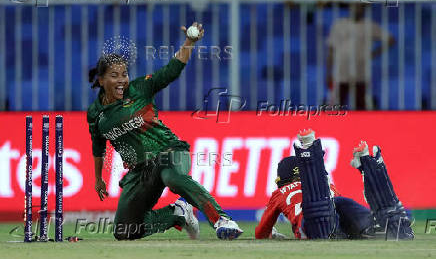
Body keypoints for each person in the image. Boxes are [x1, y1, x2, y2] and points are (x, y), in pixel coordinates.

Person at [87, 22, 243, 240]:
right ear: (102, 80)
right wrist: (98, 179)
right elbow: (98, 145)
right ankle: (177, 213)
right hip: (140, 170)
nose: (122, 80)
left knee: (173, 178)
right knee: (124, 231)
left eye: (124, 74)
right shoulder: (95, 113)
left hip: (169, 151)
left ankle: (222, 220)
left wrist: (189, 42)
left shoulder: (140, 88)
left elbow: (171, 70)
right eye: (114, 75)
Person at [256, 129, 414, 240]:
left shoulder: (280, 193)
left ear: (282, 179)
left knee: (324, 209)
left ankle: (309, 150)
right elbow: (340, 205)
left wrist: (272, 234)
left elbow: (261, 231)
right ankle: (376, 223)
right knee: (338, 202)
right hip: (342, 216)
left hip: (314, 226)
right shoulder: (329, 186)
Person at [326, 4, 395, 109]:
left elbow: (391, 40)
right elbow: (331, 49)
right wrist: (328, 72)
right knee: (336, 106)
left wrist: (374, 53)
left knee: (360, 106)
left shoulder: (369, 25)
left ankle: (360, 125)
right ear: (349, 7)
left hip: (360, 73)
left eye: (359, 7)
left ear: (363, 9)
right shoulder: (339, 24)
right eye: (354, 6)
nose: (357, 9)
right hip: (341, 73)